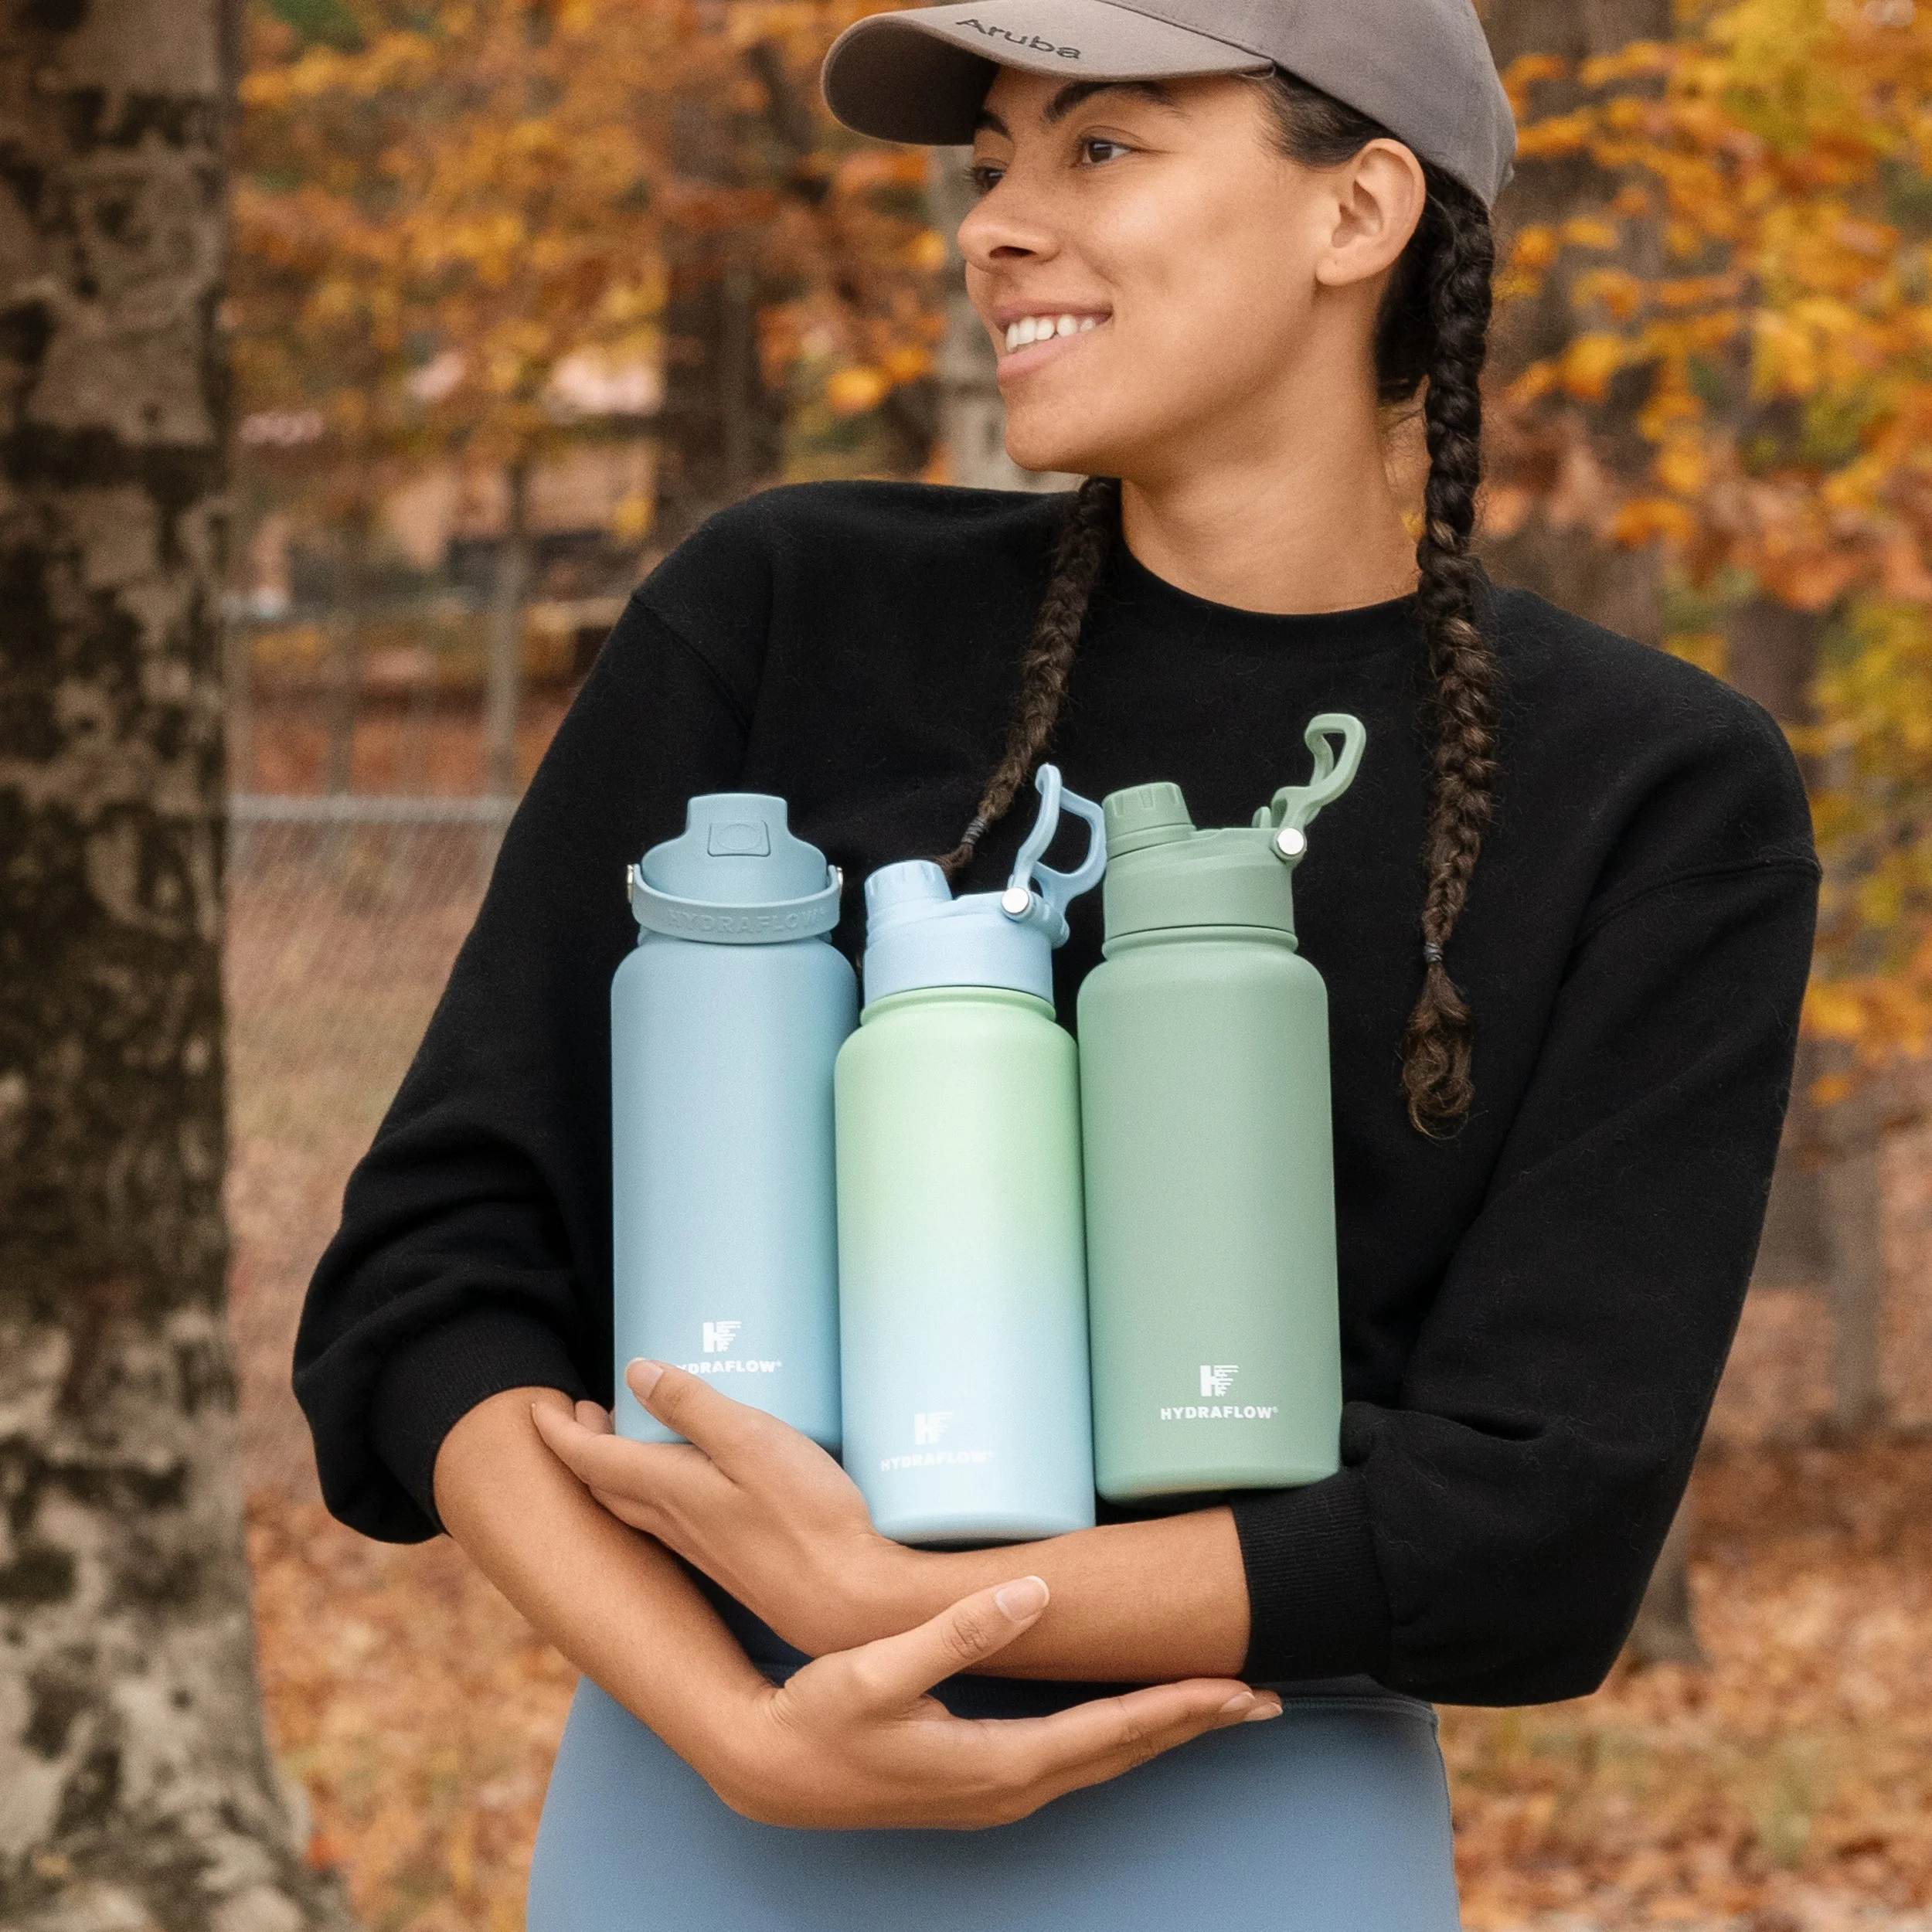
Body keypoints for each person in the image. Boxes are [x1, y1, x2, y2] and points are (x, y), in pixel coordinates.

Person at [294, 0, 1819, 1923]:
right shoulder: (784, 612)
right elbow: (431, 1281)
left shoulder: (1653, 789)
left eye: (1098, 146)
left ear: (1355, 213)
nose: (994, 223)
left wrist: (909, 1597)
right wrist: (736, 1719)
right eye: (991, 157)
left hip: (1245, 1808)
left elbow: (1541, 1514)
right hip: (712, 1794)